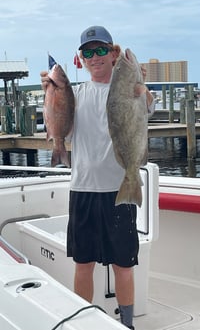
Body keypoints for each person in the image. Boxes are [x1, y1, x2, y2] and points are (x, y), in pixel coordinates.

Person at [41, 25, 154, 330]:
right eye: (87, 52)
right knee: (83, 263)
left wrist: (143, 90)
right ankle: (84, 321)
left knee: (123, 265)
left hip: (120, 186)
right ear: (81, 59)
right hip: (83, 188)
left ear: (113, 52)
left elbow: (148, 105)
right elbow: (58, 118)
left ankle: (127, 323)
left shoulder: (132, 88)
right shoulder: (73, 95)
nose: (95, 57)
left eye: (101, 50)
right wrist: (50, 93)